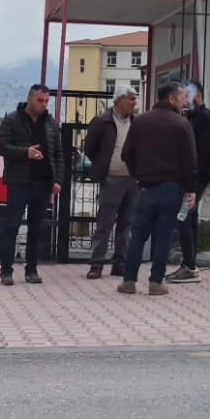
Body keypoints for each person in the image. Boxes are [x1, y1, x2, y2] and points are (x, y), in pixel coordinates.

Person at [118, 80, 196, 296]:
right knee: (163, 235)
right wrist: (190, 189)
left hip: (145, 186)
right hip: (172, 187)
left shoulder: (140, 121)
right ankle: (155, 281)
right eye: (182, 97)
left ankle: (129, 281)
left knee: (138, 234)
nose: (185, 101)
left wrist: (138, 174)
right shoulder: (181, 124)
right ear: (171, 99)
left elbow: (127, 154)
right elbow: (190, 161)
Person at [0, 84, 65, 286]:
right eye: (40, 100)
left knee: (36, 228)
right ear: (29, 99)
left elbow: (58, 154)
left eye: (46, 101)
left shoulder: (50, 124)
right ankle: (6, 271)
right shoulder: (12, 120)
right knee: (11, 227)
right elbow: (2, 147)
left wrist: (58, 180)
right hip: (19, 182)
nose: (44, 105)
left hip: (42, 183)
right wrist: (25, 152)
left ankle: (32, 269)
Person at [81, 86, 140, 279]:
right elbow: (89, 147)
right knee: (104, 223)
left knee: (126, 223)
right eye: (131, 99)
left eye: (135, 99)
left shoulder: (136, 122)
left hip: (132, 179)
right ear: (119, 100)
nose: (134, 103)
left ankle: (120, 263)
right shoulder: (103, 121)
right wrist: (103, 164)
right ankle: (96, 264)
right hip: (111, 178)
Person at [166, 80, 210, 284]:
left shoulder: (206, 120)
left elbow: (205, 154)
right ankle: (190, 264)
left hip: (196, 179)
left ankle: (189, 266)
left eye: (187, 95)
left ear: (197, 96)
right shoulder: (192, 118)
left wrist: (194, 181)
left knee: (183, 218)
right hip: (189, 178)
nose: (184, 99)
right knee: (189, 220)